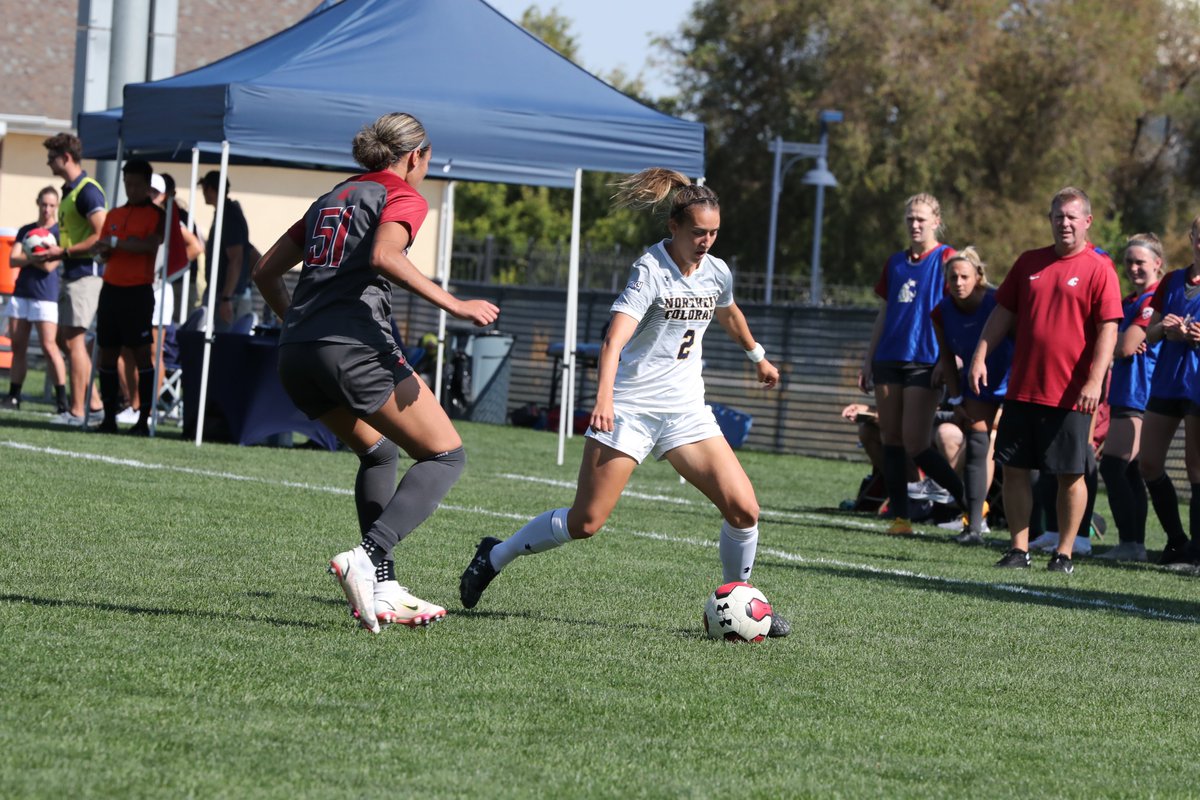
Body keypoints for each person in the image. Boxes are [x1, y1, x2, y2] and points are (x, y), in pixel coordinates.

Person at [458, 167, 791, 638]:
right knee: (586, 522)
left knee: (744, 510)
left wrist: (757, 355)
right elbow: (614, 341)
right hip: (631, 408)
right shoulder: (650, 270)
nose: (707, 241)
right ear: (673, 227)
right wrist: (605, 398)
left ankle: (741, 601)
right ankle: (495, 555)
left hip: (685, 411)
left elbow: (729, 310)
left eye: (714, 233)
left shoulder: (717, 272)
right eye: (698, 232)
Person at [252, 112, 499, 633]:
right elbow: (386, 256)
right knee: (446, 454)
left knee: (379, 450)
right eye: (429, 160)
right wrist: (454, 304)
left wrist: (300, 326)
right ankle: (367, 557)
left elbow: (264, 271)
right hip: (353, 347)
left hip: (296, 352)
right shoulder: (402, 194)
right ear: (415, 156)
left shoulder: (333, 197)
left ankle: (383, 585)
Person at [969, 187, 1122, 573]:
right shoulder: (1028, 263)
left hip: (1071, 394)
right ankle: (1019, 550)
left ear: (1087, 222)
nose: (1064, 222)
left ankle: (1064, 553)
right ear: (1050, 219)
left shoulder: (1099, 268)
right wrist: (980, 354)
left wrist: (1094, 381)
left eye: (1072, 216)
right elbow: (1002, 314)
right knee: (1015, 470)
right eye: (1058, 215)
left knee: (1070, 474)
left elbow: (1108, 330)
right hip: (1023, 388)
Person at [858, 193, 965, 535]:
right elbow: (885, 311)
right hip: (890, 357)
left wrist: (949, 357)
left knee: (916, 442)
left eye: (921, 219)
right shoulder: (895, 262)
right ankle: (902, 517)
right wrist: (868, 358)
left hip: (926, 359)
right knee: (891, 437)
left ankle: (970, 503)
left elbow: (957, 310)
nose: (915, 225)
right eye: (910, 219)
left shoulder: (947, 258)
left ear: (936, 221)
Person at [931, 247, 1012, 544]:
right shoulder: (941, 311)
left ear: (978, 277)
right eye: (953, 277)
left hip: (1011, 381)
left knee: (1020, 455)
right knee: (977, 445)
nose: (958, 283)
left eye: (965, 276)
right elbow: (948, 359)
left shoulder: (998, 302)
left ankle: (1037, 532)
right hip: (978, 385)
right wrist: (956, 399)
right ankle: (974, 525)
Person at [1095, 235, 1163, 562]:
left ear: (1157, 264)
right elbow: (1117, 341)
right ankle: (1134, 543)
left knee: (1114, 467)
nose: (1134, 268)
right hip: (1123, 391)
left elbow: (1121, 346)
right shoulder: (1127, 302)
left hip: (1141, 392)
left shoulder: (1154, 301)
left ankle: (1132, 542)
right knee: (1131, 470)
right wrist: (1119, 340)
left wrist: (1117, 341)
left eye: (1141, 262)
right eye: (1129, 262)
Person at [1138, 217, 1200, 566]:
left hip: (1197, 385)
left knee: (1196, 469)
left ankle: (1196, 553)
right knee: (1148, 463)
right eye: (1199, 237)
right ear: (1191, 238)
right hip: (1167, 380)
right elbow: (1149, 333)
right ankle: (1177, 540)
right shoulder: (1173, 281)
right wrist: (1165, 327)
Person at [92, 159, 166, 435]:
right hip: (111, 289)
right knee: (107, 353)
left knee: (141, 354)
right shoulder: (114, 214)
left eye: (136, 184)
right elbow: (105, 248)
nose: (131, 189)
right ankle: (109, 418)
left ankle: (142, 419)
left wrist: (116, 244)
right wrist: (103, 251)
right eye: (127, 183)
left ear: (147, 186)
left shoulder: (157, 215)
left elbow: (148, 245)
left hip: (138, 292)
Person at [39, 132, 106, 425]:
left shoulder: (88, 191)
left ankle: (78, 411)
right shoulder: (69, 191)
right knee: (69, 341)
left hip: (86, 276)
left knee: (75, 341)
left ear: (66, 157)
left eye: (51, 158)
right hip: (73, 272)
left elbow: (101, 235)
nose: (48, 163)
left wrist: (63, 251)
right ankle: (93, 404)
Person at [2, 187, 68, 414]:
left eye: (51, 205)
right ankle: (13, 395)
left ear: (56, 206)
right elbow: (12, 260)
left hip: (45, 296)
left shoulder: (60, 233)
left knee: (49, 347)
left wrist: (28, 256)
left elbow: (50, 265)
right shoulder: (27, 230)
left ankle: (62, 401)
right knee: (18, 345)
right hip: (22, 294)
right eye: (44, 204)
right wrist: (37, 253)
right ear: (37, 203)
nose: (47, 209)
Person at [200, 170, 254, 330]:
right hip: (229, 295)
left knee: (222, 348)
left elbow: (236, 258)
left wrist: (226, 298)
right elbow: (249, 252)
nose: (203, 193)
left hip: (228, 297)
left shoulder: (229, 215)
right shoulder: (226, 213)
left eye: (204, 189)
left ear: (210, 189)